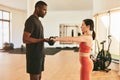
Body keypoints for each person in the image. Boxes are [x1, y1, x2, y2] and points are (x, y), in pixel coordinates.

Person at [22, 1, 48, 80]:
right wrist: (42, 40)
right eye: (44, 10)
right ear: (37, 8)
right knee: (35, 78)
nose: (45, 12)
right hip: (33, 56)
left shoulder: (38, 21)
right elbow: (25, 39)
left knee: (39, 77)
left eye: (46, 10)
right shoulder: (31, 20)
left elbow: (38, 37)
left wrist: (46, 40)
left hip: (39, 55)